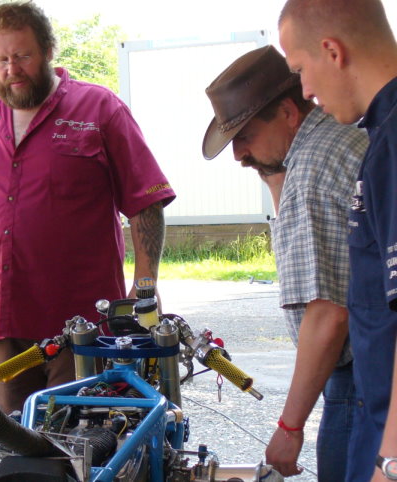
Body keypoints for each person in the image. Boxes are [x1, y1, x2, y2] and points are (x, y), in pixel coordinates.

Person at [0, 1, 175, 415]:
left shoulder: (100, 110)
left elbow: (146, 203)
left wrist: (145, 289)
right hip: (6, 327)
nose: (11, 69)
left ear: (47, 51)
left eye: (22, 56)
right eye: (0, 60)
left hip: (81, 327)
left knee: (79, 442)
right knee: (15, 442)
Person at [202, 45, 368, 481]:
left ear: (289, 114)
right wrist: (271, 168)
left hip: (360, 380)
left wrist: (289, 428)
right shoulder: (340, 137)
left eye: (245, 136)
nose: (238, 154)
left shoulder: (311, 172)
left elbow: (329, 313)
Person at [279, 1, 397, 480]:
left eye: (300, 70)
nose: (306, 89)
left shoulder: (391, 147)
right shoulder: (378, 138)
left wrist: (388, 463)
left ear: (332, 51)